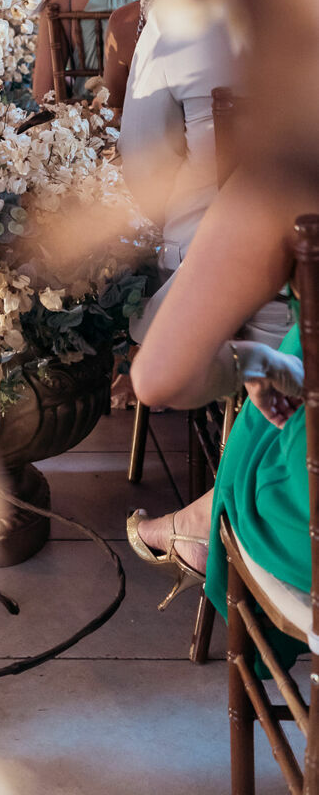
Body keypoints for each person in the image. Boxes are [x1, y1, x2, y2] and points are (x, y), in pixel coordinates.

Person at [126, 175, 307, 637]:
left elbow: (157, 378)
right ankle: (197, 523)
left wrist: (249, 360)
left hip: (305, 537)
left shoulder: (288, 172)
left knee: (276, 384)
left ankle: (199, 526)